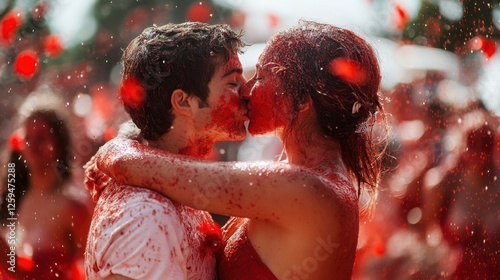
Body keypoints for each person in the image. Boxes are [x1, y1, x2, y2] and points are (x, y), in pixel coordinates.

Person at [87, 20, 388, 279]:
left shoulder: (306, 188)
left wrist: (113, 149)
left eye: (262, 76)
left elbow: (131, 164)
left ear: (303, 99)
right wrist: (131, 135)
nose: (246, 89)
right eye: (237, 80)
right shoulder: (306, 179)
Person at [84, 22, 248, 280]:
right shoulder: (145, 216)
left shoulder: (172, 186)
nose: (247, 92)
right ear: (184, 102)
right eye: (233, 83)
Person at [0, 89, 91, 280]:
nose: (33, 144)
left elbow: (94, 269)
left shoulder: (74, 206)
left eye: (41, 137)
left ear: (59, 143)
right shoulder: (13, 197)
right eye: (28, 137)